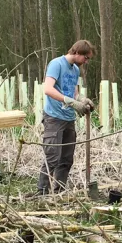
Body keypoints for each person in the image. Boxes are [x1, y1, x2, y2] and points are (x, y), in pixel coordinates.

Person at [37, 40, 97, 195]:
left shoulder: (75, 69)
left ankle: (59, 190)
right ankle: (42, 192)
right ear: (77, 52)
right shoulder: (56, 64)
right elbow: (48, 89)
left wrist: (82, 99)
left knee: (66, 158)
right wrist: (69, 101)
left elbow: (74, 92)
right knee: (52, 156)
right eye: (86, 57)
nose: (86, 61)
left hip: (69, 118)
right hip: (54, 117)